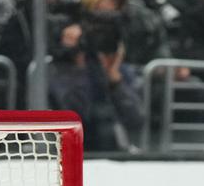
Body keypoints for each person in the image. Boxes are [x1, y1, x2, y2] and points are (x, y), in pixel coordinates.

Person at [46, 18, 145, 151]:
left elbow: (136, 119)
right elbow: (75, 112)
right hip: (70, 150)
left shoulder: (119, 73)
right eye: (69, 38)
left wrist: (115, 81)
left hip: (114, 150)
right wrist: (80, 67)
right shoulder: (54, 72)